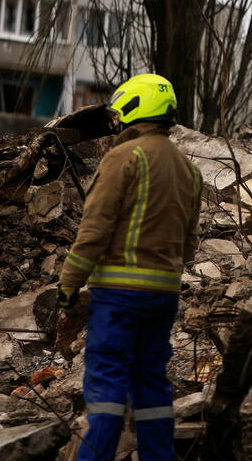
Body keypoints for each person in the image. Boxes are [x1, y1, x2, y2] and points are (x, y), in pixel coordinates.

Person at [57, 73, 202, 461]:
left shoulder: (125, 156)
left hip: (119, 296)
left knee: (106, 388)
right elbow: (189, 243)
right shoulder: (189, 169)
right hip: (164, 297)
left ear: (137, 108)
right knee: (151, 387)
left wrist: (69, 284)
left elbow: (94, 229)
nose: (117, 119)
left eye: (121, 110)